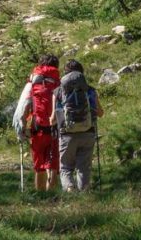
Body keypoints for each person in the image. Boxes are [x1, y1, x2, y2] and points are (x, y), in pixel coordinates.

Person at [51, 58, 103, 192]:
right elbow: (100, 113)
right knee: (83, 167)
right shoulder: (90, 90)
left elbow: (53, 119)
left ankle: (69, 190)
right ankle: (84, 195)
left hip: (67, 134)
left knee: (66, 167)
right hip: (88, 132)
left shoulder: (58, 92)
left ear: (66, 74)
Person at [12, 54, 60, 190]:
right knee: (53, 164)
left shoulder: (33, 83)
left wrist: (20, 127)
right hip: (55, 129)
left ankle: (41, 195)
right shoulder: (59, 82)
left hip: (37, 129)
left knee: (39, 166)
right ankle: (52, 195)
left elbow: (24, 106)